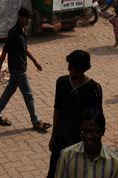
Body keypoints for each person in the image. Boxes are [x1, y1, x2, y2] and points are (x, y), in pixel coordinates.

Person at [0, 7, 51, 132]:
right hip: (17, 69)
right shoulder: (13, 32)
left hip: (20, 67)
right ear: (20, 17)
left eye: (29, 18)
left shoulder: (22, 31)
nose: (28, 21)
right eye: (26, 18)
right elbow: (5, 51)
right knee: (28, 95)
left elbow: (24, 49)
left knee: (9, 92)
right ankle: (35, 121)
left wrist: (35, 62)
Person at [47, 50, 103, 178]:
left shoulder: (93, 89)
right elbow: (58, 109)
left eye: (75, 70)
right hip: (61, 138)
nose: (71, 72)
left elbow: (97, 121)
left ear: (83, 69)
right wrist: (53, 135)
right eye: (70, 68)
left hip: (80, 141)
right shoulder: (62, 82)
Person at [54, 108, 118, 178]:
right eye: (83, 131)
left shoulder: (115, 162)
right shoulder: (67, 156)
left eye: (93, 131)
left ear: (103, 131)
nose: (88, 136)